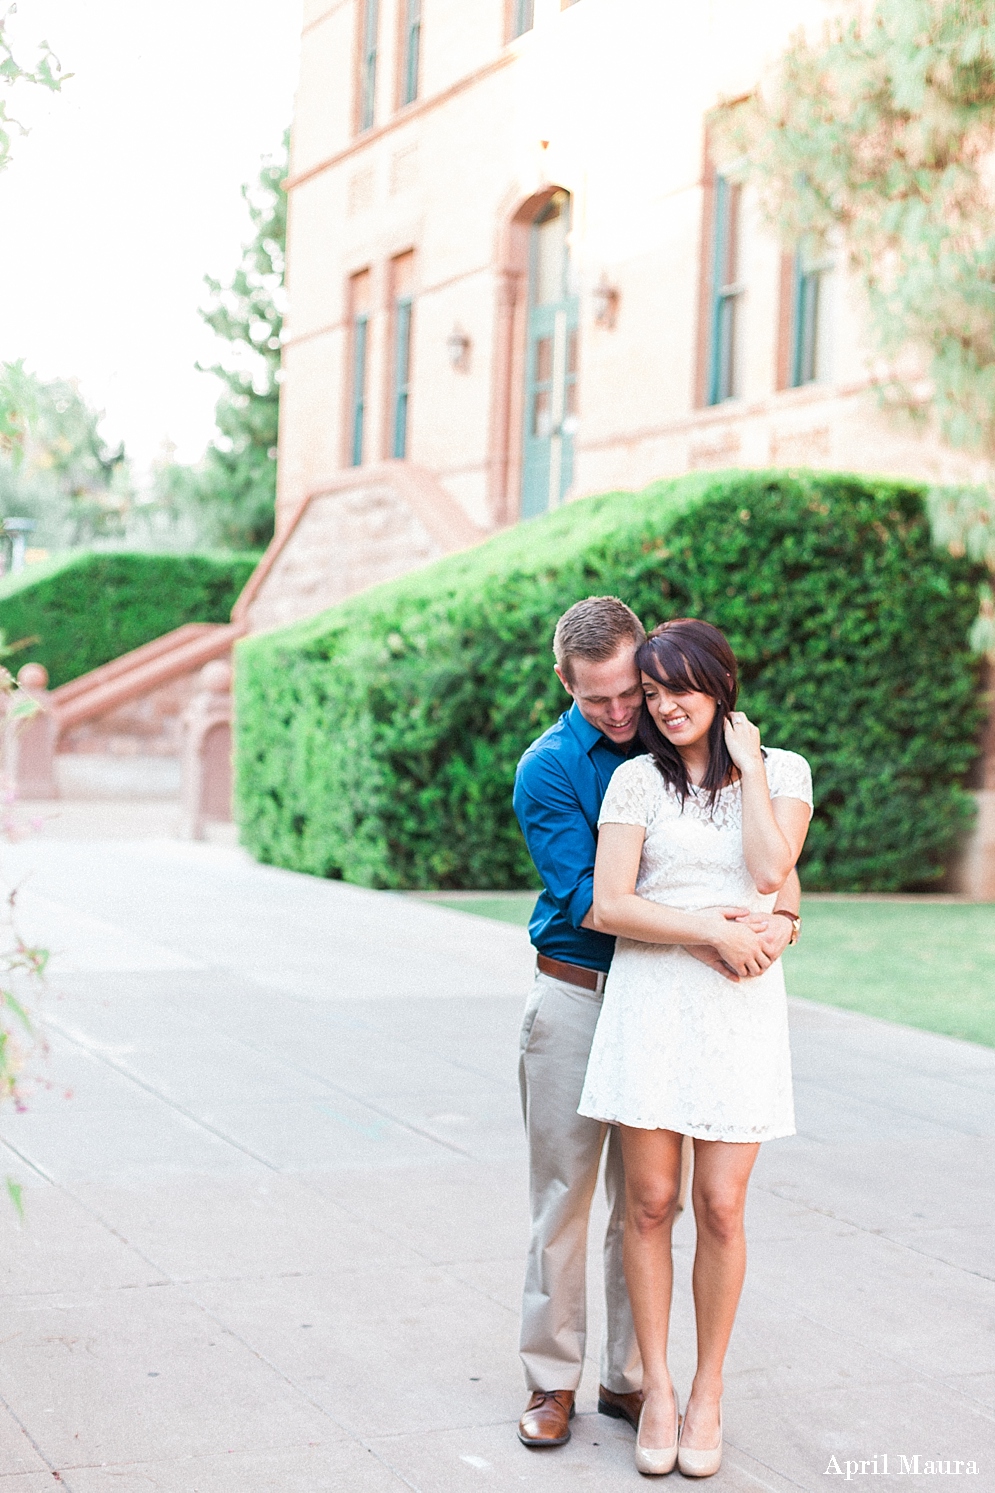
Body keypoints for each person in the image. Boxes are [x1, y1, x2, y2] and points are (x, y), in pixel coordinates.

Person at [513, 598, 801, 1451]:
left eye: (630, 692)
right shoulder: (552, 767)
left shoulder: (670, 730)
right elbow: (592, 905)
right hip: (582, 991)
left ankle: (634, 1381)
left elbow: (767, 865)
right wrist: (714, 928)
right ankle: (550, 1380)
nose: (622, 710)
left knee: (646, 1204)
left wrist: (782, 919)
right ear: (564, 684)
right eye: (597, 697)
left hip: (687, 999)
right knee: (568, 1197)